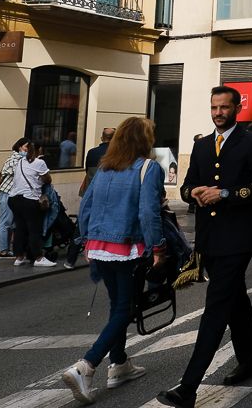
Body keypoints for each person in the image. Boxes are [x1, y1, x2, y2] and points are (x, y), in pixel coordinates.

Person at [157, 87, 252, 408]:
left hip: (238, 238)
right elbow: (185, 186)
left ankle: (189, 387)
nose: (219, 112)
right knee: (234, 298)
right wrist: (193, 191)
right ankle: (251, 359)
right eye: (214, 107)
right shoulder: (202, 145)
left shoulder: (251, 142)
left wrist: (224, 194)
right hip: (209, 238)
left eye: (225, 107)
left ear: (238, 108)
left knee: (216, 308)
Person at [61, 117, 165, 404]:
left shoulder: (105, 167)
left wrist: (85, 240)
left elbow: (86, 207)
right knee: (125, 307)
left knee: (118, 303)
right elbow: (148, 212)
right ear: (145, 139)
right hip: (128, 246)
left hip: (98, 245)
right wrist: (157, 247)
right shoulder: (148, 168)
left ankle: (119, 364)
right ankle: (87, 366)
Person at [8, 139, 56, 267]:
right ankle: (39, 258)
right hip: (30, 199)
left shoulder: (20, 162)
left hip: (14, 198)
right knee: (34, 230)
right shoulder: (39, 162)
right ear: (39, 150)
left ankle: (19, 257)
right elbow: (47, 179)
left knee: (20, 228)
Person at [0, 138, 27, 258]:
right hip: (7, 193)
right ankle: (3, 250)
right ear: (19, 147)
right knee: (5, 222)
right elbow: (14, 171)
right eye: (25, 148)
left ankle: (7, 249)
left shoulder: (21, 159)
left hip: (13, 194)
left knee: (11, 223)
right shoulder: (14, 159)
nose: (27, 150)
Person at [80, 127, 115, 197]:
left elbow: (88, 170)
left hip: (92, 189)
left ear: (102, 138)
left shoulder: (91, 152)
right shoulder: (117, 153)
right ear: (115, 139)